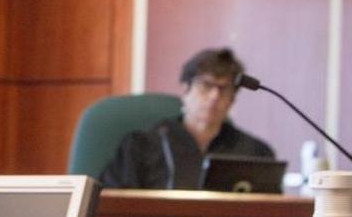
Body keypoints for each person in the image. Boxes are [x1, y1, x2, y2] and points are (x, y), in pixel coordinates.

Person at [100, 47, 275, 189]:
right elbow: (113, 206)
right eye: (206, 85)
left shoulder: (255, 154)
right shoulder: (141, 148)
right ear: (185, 90)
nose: (214, 96)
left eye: (224, 89)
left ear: (232, 101)